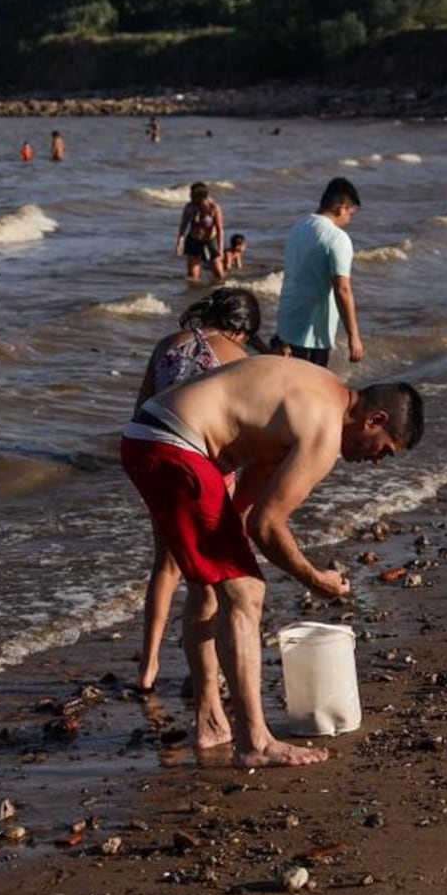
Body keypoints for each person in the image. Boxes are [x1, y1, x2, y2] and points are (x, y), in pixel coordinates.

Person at [120, 357, 424, 766]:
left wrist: (235, 532)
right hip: (176, 447)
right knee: (247, 591)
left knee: (212, 584)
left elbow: (249, 503)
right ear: (375, 419)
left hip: (150, 434)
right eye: (385, 451)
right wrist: (315, 580)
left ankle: (211, 722)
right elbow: (267, 526)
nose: (377, 462)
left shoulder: (315, 390)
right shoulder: (325, 429)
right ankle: (254, 742)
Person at [130, 288, 264, 693]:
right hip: (206, 469)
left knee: (164, 566)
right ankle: (203, 674)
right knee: (206, 578)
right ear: (242, 329)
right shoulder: (239, 358)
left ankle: (148, 666)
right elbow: (244, 431)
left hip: (157, 457)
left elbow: (142, 409)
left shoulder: (167, 345)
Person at [274, 177, 364, 367]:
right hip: (313, 330)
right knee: (312, 386)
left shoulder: (298, 227)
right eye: (351, 213)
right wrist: (353, 336)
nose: (349, 220)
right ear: (342, 208)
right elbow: (343, 289)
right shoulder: (337, 237)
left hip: (288, 318)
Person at [174, 182, 227, 284]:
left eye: (192, 194)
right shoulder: (189, 207)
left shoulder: (214, 208)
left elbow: (220, 229)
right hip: (194, 240)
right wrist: (179, 242)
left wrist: (220, 249)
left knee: (219, 275)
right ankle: (195, 295)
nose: (190, 196)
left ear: (201, 196)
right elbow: (183, 226)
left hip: (210, 240)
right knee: (193, 276)